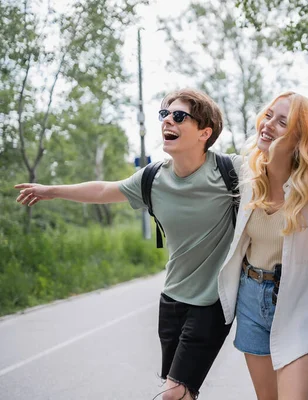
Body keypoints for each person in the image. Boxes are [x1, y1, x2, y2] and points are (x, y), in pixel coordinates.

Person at [15, 89, 240, 400]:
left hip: (212, 303)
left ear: (205, 132)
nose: (167, 122)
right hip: (172, 299)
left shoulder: (229, 171)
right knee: (182, 393)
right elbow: (103, 190)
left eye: (179, 116)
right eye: (165, 115)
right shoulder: (153, 178)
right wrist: (50, 190)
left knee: (171, 393)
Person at [218, 91, 308, 400]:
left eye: (282, 122)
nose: (267, 125)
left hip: (298, 303)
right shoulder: (247, 174)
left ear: (299, 138)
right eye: (268, 115)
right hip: (252, 298)